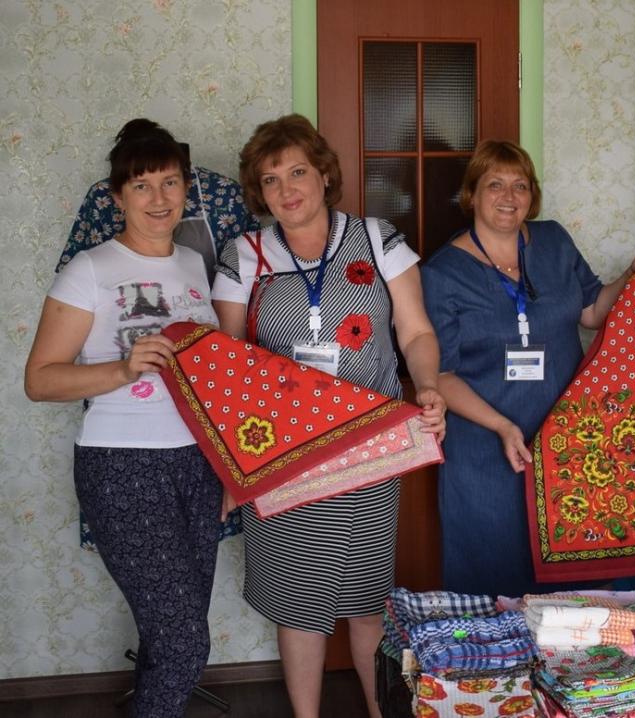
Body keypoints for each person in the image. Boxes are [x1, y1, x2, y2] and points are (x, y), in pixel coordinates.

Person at [211, 114, 446, 718]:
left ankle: (379, 710)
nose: (286, 189)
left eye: (297, 172)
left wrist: (425, 386)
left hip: (368, 451)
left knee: (367, 598)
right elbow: (228, 367)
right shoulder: (245, 255)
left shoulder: (377, 239)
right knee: (298, 604)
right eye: (270, 180)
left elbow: (415, 331)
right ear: (259, 193)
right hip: (281, 458)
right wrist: (234, 468)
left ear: (323, 174)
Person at [25, 119, 223, 717]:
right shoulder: (89, 269)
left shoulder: (195, 266)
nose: (159, 198)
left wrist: (233, 470)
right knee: (185, 642)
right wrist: (122, 367)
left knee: (173, 634)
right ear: (117, 197)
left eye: (170, 183)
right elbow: (40, 380)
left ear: (186, 189)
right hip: (122, 468)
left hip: (198, 465)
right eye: (141, 185)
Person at [421, 139, 635, 597]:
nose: (509, 197)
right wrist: (502, 426)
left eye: (520, 186)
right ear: (472, 194)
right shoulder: (443, 273)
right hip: (485, 452)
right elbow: (442, 375)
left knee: (575, 581)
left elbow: (591, 310)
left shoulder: (553, 241)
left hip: (565, 440)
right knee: (496, 581)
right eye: (495, 185)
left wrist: (630, 277)